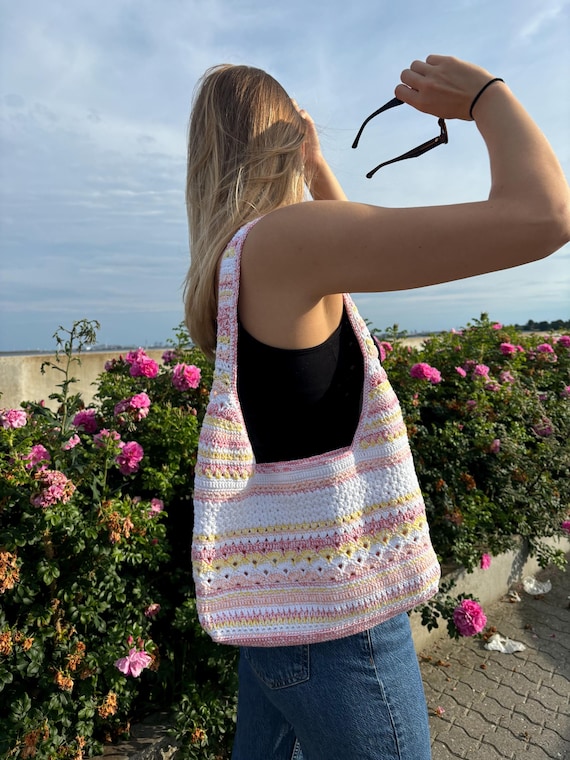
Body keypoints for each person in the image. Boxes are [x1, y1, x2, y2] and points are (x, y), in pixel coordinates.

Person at [184, 55, 570, 760]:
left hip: (283, 612)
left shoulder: (236, 264)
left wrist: (313, 165)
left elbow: (344, 260)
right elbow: (545, 216)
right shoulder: (286, 244)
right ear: (284, 139)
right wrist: (486, 97)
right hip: (343, 615)